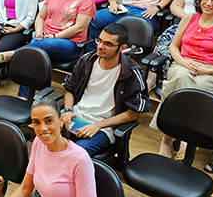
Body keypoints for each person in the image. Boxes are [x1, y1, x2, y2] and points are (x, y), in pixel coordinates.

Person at [153, 0, 213, 159]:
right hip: (184, 64)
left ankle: (180, 138)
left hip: (212, 70)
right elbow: (174, 46)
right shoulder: (189, 19)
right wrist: (183, 62)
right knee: (180, 77)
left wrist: (207, 71)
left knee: (195, 87)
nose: (209, 3)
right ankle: (172, 140)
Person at [62, 23, 149, 156]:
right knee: (44, 137)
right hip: (76, 116)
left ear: (122, 48)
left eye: (108, 44)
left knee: (76, 154)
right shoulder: (86, 61)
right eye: (99, 40)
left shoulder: (132, 73)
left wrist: (98, 125)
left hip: (104, 128)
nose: (100, 46)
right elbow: (69, 89)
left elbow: (133, 113)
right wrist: (68, 110)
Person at [19, 0, 95, 67]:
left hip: (69, 43)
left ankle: (15, 54)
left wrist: (55, 37)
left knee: (43, 46)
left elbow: (79, 27)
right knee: (32, 57)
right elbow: (40, 17)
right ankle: (25, 81)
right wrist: (38, 33)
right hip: (44, 38)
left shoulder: (86, 0)